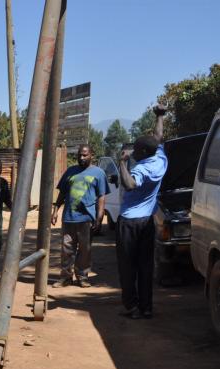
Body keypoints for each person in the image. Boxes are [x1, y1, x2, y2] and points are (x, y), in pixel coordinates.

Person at [116, 105, 168, 319]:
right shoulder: (160, 159)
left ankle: (132, 307)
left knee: (127, 267)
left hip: (129, 222)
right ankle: (147, 307)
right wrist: (159, 115)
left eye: (137, 151)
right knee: (146, 266)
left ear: (144, 153)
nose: (134, 153)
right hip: (147, 221)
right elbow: (158, 136)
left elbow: (129, 185)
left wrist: (122, 163)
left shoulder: (141, 169)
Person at [51, 144, 108, 288]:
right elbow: (62, 193)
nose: (81, 158)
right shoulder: (70, 171)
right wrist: (55, 210)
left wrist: (99, 217)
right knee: (66, 250)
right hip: (69, 217)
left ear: (91, 155)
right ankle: (65, 278)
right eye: (79, 155)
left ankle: (82, 277)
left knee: (84, 251)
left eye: (84, 155)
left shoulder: (99, 173)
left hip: (86, 219)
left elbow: (101, 197)